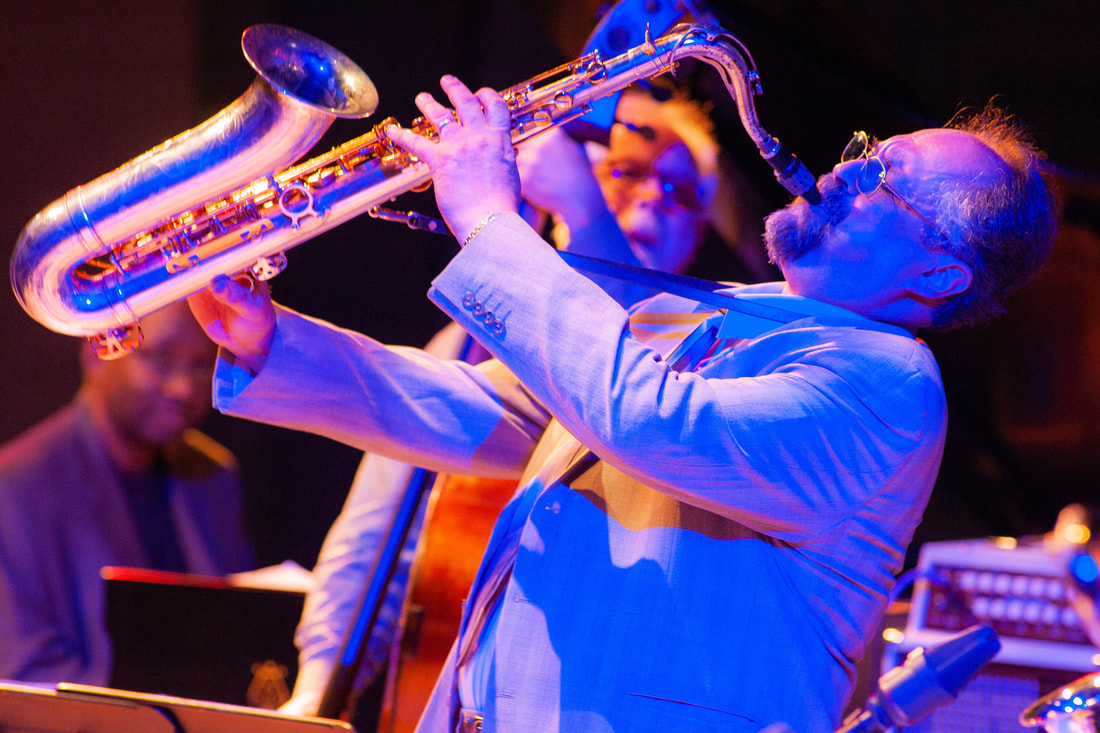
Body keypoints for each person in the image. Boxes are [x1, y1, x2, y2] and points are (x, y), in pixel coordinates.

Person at [189, 74, 1057, 732]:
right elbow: (489, 410)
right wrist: (270, 338)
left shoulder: (888, 384)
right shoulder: (721, 313)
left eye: (884, 179)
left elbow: (651, 421)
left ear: (938, 273)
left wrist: (492, 220)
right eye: (866, 148)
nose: (841, 171)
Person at [280, 82, 746, 721]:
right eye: (630, 170)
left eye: (682, 192)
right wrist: (317, 683)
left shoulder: (708, 348)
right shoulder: (474, 335)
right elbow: (373, 529)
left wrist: (587, 213)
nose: (654, 201)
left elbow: (632, 349)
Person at [0, 301, 255, 686]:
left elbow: (236, 643)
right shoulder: (16, 487)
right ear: (96, 351)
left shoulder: (215, 476)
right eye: (159, 359)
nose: (183, 387)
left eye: (202, 366)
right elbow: (27, 677)